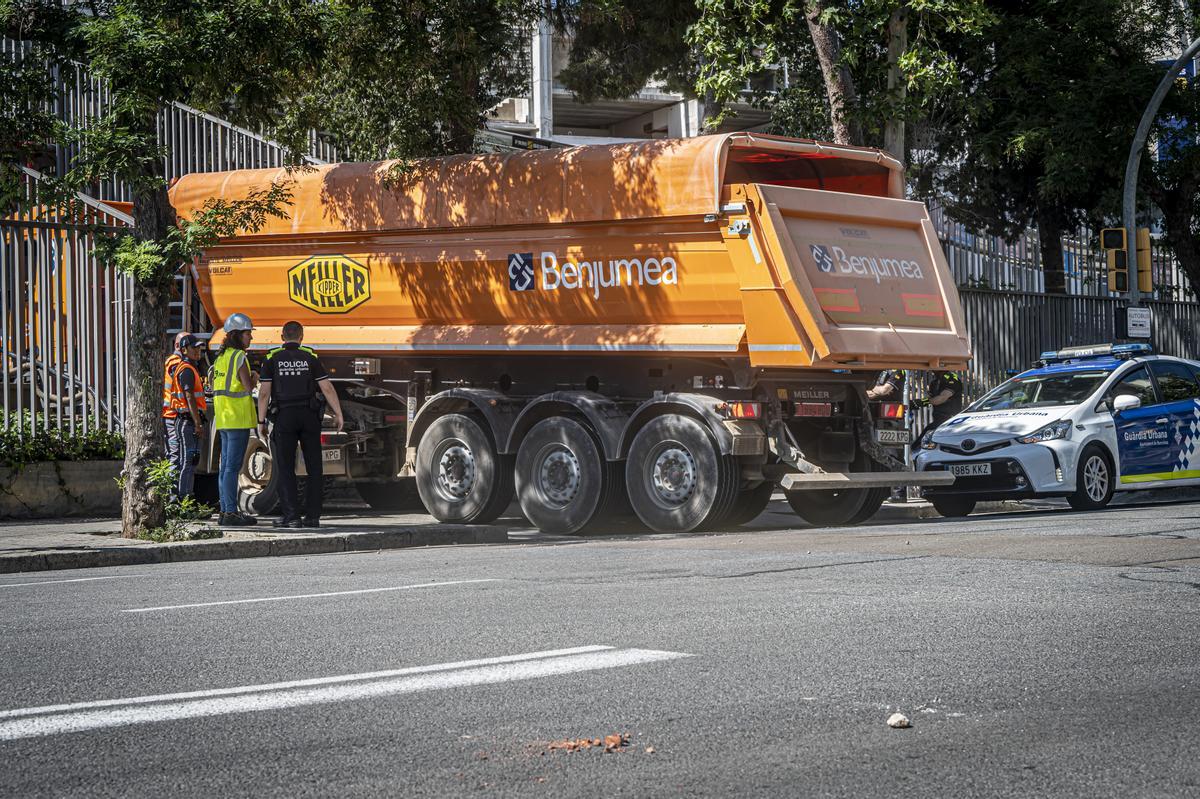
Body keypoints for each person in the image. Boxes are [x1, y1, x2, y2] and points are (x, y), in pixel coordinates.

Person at [257, 321, 344, 529]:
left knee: (285, 468)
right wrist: (338, 413)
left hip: (284, 417)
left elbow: (264, 393)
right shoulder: (310, 356)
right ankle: (313, 517)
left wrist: (260, 421)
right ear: (301, 336)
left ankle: (292, 517)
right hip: (309, 416)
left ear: (282, 337)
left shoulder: (271, 357)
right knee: (315, 467)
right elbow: (327, 388)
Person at [210, 313, 258, 527]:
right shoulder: (239, 357)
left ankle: (225, 510)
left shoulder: (220, 357)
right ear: (238, 335)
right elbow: (249, 387)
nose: (251, 338)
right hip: (237, 418)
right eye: (248, 333)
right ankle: (230, 512)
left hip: (223, 418)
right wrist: (256, 375)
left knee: (225, 468)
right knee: (232, 468)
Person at [163, 334, 207, 501]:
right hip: (179, 417)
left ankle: (180, 498)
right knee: (184, 460)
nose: (198, 351)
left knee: (186, 460)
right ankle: (179, 499)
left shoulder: (187, 366)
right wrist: (197, 423)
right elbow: (189, 396)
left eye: (198, 347)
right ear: (182, 348)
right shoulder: (181, 366)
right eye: (193, 347)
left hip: (178, 416)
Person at [913, 370, 965, 435]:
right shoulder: (935, 382)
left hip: (950, 420)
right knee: (925, 438)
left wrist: (921, 402)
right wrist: (917, 403)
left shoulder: (952, 379)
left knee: (923, 439)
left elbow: (941, 398)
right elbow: (931, 399)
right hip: (938, 419)